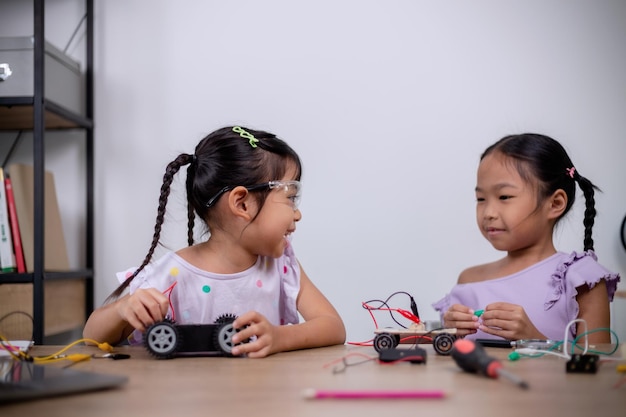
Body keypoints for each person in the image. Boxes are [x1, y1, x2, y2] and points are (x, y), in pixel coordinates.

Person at [83, 126, 346, 357]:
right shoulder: (173, 274)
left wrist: (279, 338)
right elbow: (92, 335)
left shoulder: (281, 266)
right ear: (242, 203)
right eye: (290, 197)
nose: (297, 213)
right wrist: (123, 309)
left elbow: (333, 326)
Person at [432, 133, 620, 344]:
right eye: (481, 199)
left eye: (504, 197)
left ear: (555, 203)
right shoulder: (469, 280)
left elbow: (596, 368)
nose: (488, 213)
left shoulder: (581, 278)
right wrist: (448, 335)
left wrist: (534, 338)